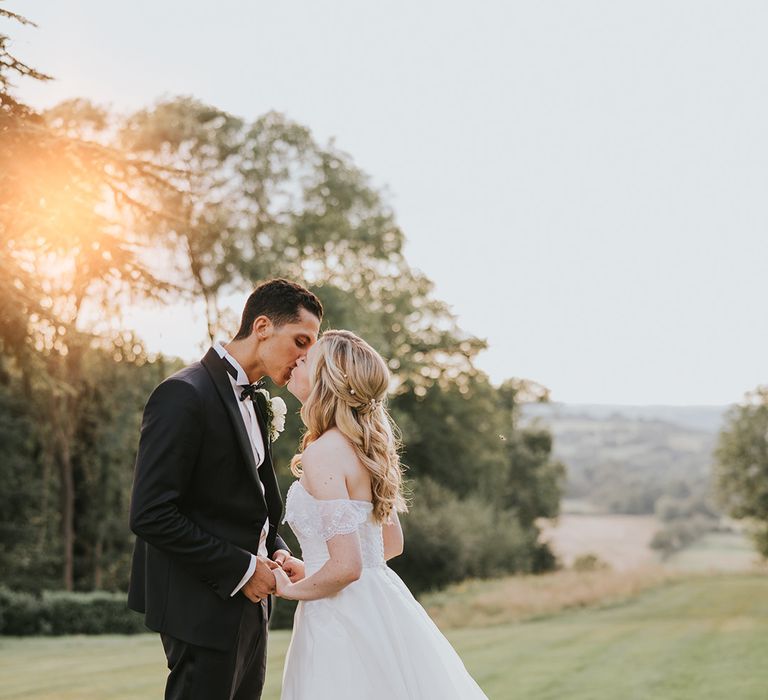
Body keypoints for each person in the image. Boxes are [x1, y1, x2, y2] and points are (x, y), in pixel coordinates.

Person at [127, 278, 322, 700]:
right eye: (301, 341)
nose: (307, 358)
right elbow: (151, 514)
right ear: (264, 326)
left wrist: (276, 549)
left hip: (251, 607)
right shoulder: (182, 393)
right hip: (199, 605)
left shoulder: (256, 400)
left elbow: (250, 501)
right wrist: (242, 569)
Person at [276, 329, 488, 699]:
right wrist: (315, 569)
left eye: (307, 359)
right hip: (381, 606)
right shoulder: (366, 449)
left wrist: (291, 589)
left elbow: (347, 567)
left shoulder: (323, 452)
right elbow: (388, 544)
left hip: (340, 621)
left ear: (327, 379)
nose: (298, 359)